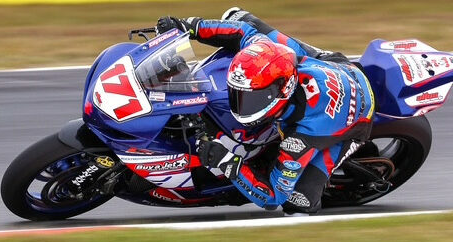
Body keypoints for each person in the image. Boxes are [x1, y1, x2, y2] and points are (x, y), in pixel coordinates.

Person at [156, 9, 375, 214]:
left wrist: (227, 162)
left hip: (356, 119)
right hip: (334, 65)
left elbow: (273, 198)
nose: (242, 104)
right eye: (239, 95)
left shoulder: (300, 138)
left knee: (297, 202)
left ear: (280, 93)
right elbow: (242, 31)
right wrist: (188, 27)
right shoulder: (265, 50)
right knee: (237, 16)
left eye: (251, 98)